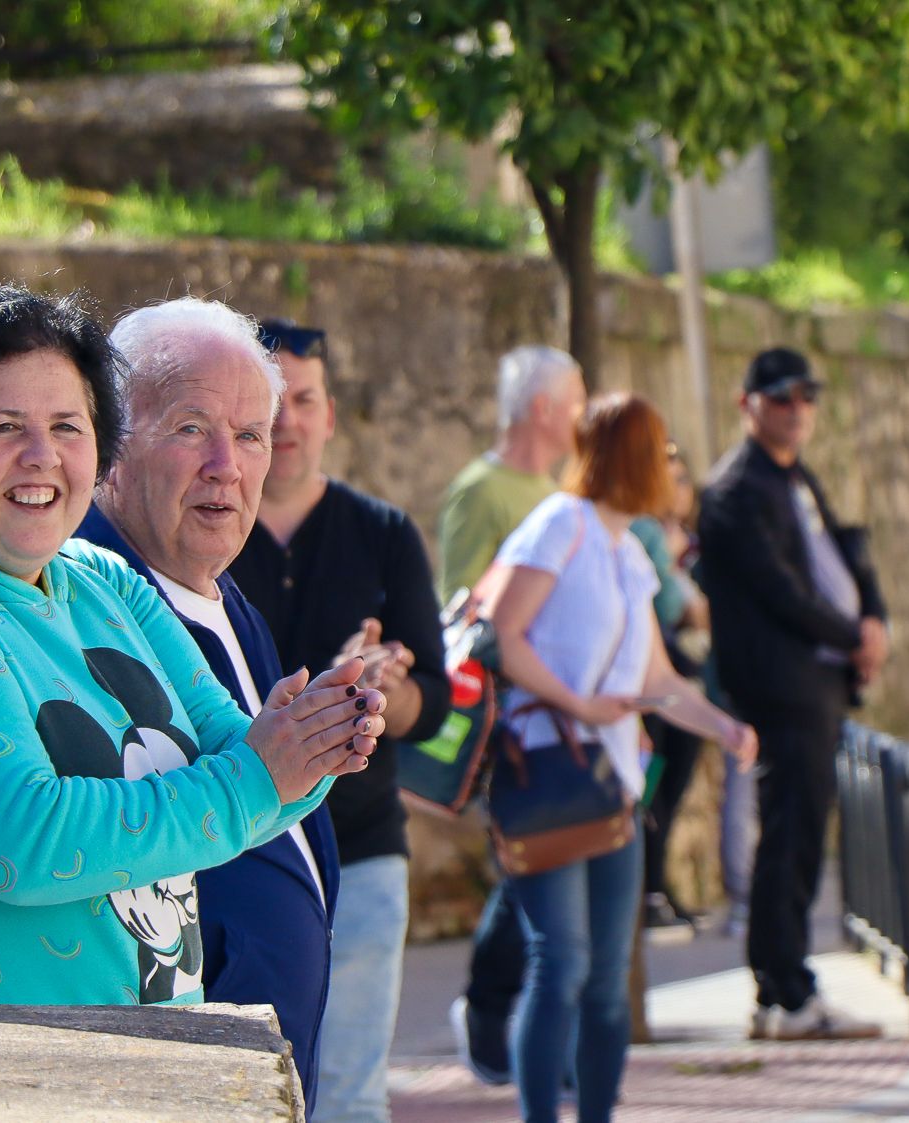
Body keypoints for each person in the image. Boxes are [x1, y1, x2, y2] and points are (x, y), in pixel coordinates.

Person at [0, 287, 380, 1019]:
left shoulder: (103, 578)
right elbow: (18, 837)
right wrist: (262, 771)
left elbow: (234, 755)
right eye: (4, 426)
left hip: (129, 1065)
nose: (41, 456)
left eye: (67, 425)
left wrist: (311, 742)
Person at [77, 298, 346, 1109]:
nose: (226, 464)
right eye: (192, 428)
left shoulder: (230, 602)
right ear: (112, 445)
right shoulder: (78, 604)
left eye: (252, 434)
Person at [491, 392, 756, 1123]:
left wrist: (720, 723)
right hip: (543, 772)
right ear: (632, 457)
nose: (674, 468)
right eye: (661, 450)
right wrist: (577, 705)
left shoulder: (628, 551)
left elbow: (656, 680)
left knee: (608, 976)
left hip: (613, 786)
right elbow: (502, 634)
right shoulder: (559, 526)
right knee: (562, 961)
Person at [227, 318, 450, 1123]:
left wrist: (389, 688)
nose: (287, 423)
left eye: (305, 401)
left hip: (361, 848)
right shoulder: (204, 523)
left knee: (351, 1095)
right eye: (271, 403)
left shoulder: (383, 534)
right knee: (245, 1093)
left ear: (330, 415)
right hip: (234, 846)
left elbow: (436, 702)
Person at [697, 347, 890, 1041]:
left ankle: (788, 982)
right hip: (782, 688)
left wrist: (872, 621)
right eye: (781, 397)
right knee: (788, 838)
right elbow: (783, 591)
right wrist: (854, 633)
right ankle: (783, 990)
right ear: (748, 403)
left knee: (803, 836)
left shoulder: (794, 476)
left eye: (807, 395)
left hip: (819, 680)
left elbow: (839, 555)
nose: (797, 408)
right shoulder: (734, 490)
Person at [440, 344, 584, 1085]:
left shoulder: (557, 489)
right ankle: (497, 1013)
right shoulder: (482, 491)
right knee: (537, 865)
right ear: (544, 409)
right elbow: (462, 610)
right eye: (577, 400)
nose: (584, 417)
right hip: (515, 726)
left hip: (568, 721)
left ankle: (518, 1018)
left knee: (556, 863)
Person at [638, 444, 713, 940]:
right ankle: (649, 892)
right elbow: (670, 607)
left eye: (684, 478)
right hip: (659, 683)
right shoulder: (643, 531)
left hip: (678, 679)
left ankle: (656, 888)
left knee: (663, 792)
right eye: (670, 477)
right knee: (653, 793)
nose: (678, 489)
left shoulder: (681, 537)